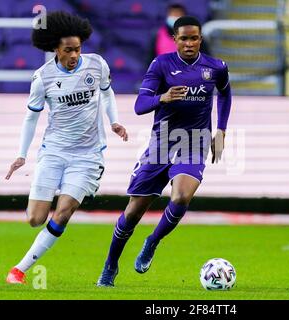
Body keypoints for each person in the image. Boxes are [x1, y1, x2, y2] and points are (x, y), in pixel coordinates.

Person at [97, 15, 232, 287]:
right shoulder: (161, 65)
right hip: (161, 143)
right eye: (184, 38)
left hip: (193, 142)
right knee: (134, 211)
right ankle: (110, 265)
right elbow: (140, 105)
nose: (190, 43)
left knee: (181, 197)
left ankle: (152, 241)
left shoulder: (216, 67)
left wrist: (221, 130)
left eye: (194, 38)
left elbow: (226, 94)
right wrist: (163, 97)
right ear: (175, 40)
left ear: (200, 39)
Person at [4, 11, 128, 284]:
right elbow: (31, 116)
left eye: (77, 49)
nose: (74, 55)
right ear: (55, 50)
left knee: (64, 209)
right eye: (68, 50)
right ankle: (45, 197)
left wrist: (115, 121)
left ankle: (18, 270)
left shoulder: (96, 65)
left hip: (88, 155)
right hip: (54, 152)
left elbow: (107, 92)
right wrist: (21, 155)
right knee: (35, 219)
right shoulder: (43, 77)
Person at [146, 2, 210, 69]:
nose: (175, 16)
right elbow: (150, 61)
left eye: (178, 13)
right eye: (173, 13)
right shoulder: (157, 35)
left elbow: (206, 59)